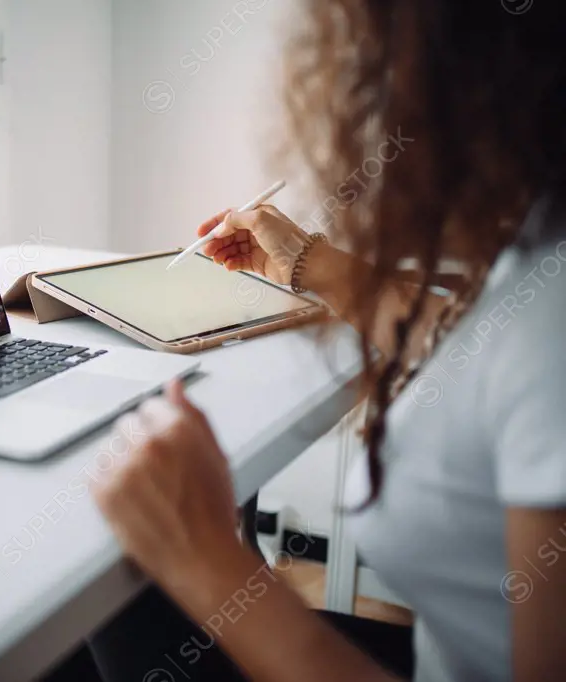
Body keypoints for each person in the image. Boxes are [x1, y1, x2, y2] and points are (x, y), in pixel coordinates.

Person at [57, 2, 566, 681]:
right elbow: (475, 349)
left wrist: (206, 560)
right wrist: (305, 261)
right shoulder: (540, 254)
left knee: (88, 603)